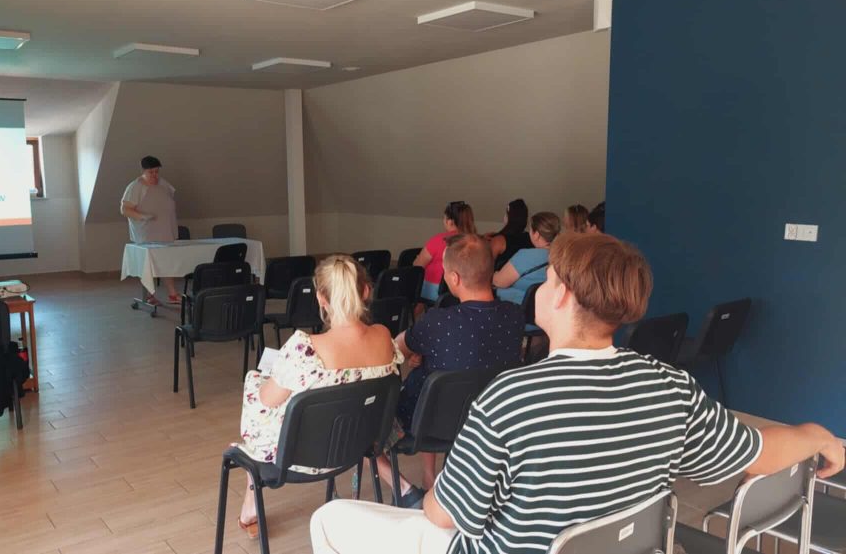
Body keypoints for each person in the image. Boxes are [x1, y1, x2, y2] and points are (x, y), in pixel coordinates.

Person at [310, 233, 844, 554]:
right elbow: (759, 451)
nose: (540, 288)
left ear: (562, 294)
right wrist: (817, 434)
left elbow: (445, 516)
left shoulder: (510, 399)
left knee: (329, 520)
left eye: (547, 280)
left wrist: (430, 495)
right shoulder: (672, 386)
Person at [234, 255, 402, 539]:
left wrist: (258, 380)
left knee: (257, 389)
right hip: (358, 444)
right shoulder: (384, 337)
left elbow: (265, 402)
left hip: (298, 455)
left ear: (321, 298)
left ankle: (251, 485)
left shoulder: (305, 348)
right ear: (366, 291)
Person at [375, 234, 524, 507]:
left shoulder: (438, 322)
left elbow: (395, 351)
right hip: (489, 421)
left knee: (369, 421)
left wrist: (419, 349)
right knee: (437, 373)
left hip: (426, 422)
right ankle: (432, 477)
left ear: (454, 278)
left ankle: (406, 490)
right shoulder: (514, 316)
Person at [120, 155, 180, 304]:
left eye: (157, 171)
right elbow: (125, 209)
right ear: (143, 171)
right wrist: (143, 216)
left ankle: (172, 294)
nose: (154, 175)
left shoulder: (163, 184)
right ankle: (148, 295)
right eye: (151, 172)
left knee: (167, 262)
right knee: (148, 265)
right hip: (146, 233)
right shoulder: (135, 186)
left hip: (165, 231)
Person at [492, 211, 561, 304]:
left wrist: (495, 274)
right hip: (545, 307)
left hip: (518, 308)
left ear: (536, 235)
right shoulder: (562, 257)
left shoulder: (525, 256)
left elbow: (499, 282)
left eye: (530, 230)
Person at [414, 201, 476, 302]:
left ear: (450, 221)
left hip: (437, 290)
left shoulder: (439, 240)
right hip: (464, 289)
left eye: (444, 218)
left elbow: (417, 266)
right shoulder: (475, 241)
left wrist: (418, 259)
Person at [487, 198, 531, 270]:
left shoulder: (498, 240)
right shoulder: (531, 238)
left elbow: (486, 268)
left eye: (506, 214)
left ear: (509, 217)